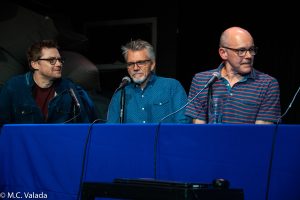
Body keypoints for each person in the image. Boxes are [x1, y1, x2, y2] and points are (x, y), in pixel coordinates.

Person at [185, 27, 281, 124]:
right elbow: (199, 129)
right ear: (223, 53)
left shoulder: (267, 84)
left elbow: (262, 133)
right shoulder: (201, 81)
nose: (249, 56)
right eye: (241, 50)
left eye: (251, 49)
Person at [0, 40, 97, 124]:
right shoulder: (13, 87)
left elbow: (86, 124)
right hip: (25, 145)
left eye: (60, 60)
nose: (59, 64)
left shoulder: (70, 88)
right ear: (35, 64)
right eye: (51, 60)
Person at [107, 39, 190, 123]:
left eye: (141, 62)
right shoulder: (121, 93)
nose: (135, 68)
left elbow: (183, 123)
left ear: (152, 64)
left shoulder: (171, 86)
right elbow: (111, 129)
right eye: (131, 64)